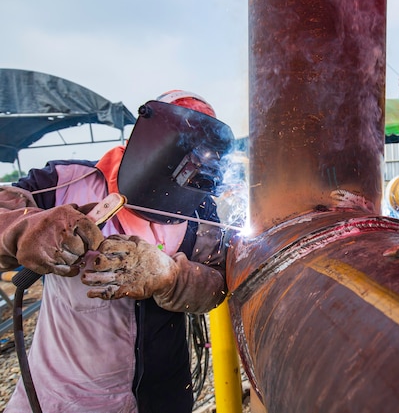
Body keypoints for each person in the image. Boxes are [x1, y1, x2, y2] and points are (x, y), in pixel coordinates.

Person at [0, 90, 235, 412]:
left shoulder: (198, 208)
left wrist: (170, 277)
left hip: (164, 395)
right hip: (68, 397)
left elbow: (217, 283)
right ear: (151, 137)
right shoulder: (66, 180)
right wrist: (26, 230)